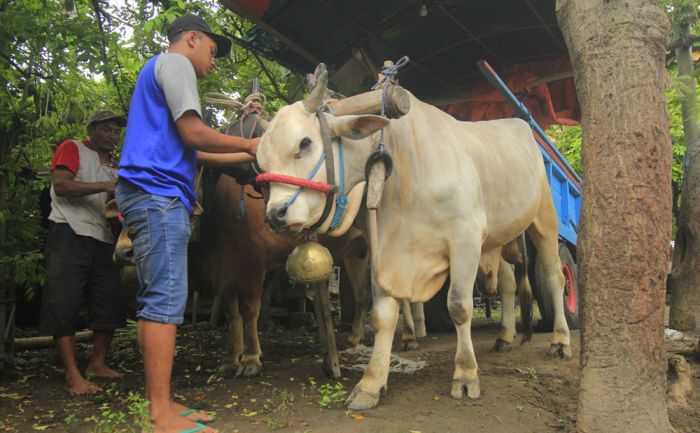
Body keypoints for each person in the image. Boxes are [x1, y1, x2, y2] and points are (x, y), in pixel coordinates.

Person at [115, 14, 258, 433]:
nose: (213, 61)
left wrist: (249, 157)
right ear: (192, 39)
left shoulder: (156, 71)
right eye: (212, 51)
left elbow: (193, 153)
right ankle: (160, 415)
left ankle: (161, 403)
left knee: (157, 300)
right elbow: (195, 134)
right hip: (158, 196)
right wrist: (250, 141)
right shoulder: (175, 65)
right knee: (165, 301)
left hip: (151, 191)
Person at [40, 109, 127, 395]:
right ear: (91, 128)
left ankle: (96, 363)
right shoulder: (73, 148)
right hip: (69, 232)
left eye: (116, 131)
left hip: (103, 238)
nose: (112, 135)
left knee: (109, 301)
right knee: (63, 302)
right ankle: (71, 374)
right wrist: (105, 185)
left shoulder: (117, 166)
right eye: (106, 129)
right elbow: (62, 185)